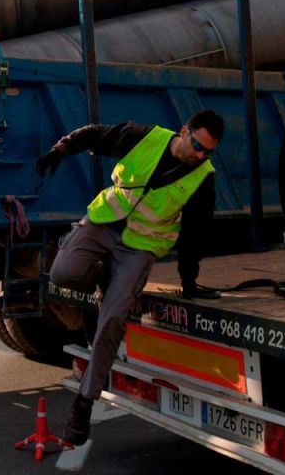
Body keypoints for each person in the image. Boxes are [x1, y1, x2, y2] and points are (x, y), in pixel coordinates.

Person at [41, 109, 225, 445]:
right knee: (62, 274)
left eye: (208, 152)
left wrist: (189, 281)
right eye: (197, 145)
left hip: (140, 247)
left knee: (112, 318)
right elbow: (97, 133)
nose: (200, 155)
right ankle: (100, 272)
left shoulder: (203, 177)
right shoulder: (146, 136)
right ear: (184, 131)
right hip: (104, 221)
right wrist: (62, 149)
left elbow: (195, 234)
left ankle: (84, 402)